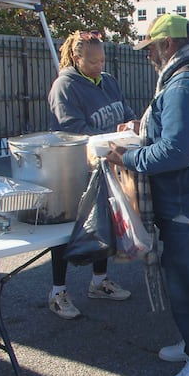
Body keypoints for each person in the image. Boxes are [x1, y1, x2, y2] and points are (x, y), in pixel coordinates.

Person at [106, 14, 189, 376]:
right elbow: (178, 138)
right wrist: (142, 135)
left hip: (186, 204)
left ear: (168, 46)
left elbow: (176, 150)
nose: (148, 57)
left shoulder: (182, 87)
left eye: (151, 49)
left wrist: (126, 158)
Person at [45, 30, 135, 319]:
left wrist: (131, 124)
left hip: (107, 166)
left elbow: (126, 111)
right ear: (76, 57)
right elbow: (73, 129)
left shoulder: (108, 82)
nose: (100, 66)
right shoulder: (65, 86)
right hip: (74, 170)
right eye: (94, 61)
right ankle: (58, 291)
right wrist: (110, 139)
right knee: (65, 231)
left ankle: (99, 281)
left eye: (102, 60)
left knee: (104, 225)